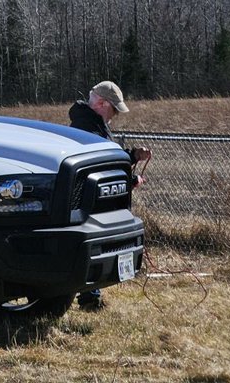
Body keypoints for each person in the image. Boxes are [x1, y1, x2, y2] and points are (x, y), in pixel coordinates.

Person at [68, 80, 152, 311]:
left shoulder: (90, 124)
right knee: (93, 244)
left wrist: (132, 156)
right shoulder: (89, 130)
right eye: (114, 109)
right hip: (88, 202)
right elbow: (101, 169)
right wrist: (130, 181)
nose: (115, 115)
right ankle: (89, 298)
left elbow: (108, 159)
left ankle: (90, 296)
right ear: (102, 104)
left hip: (89, 200)